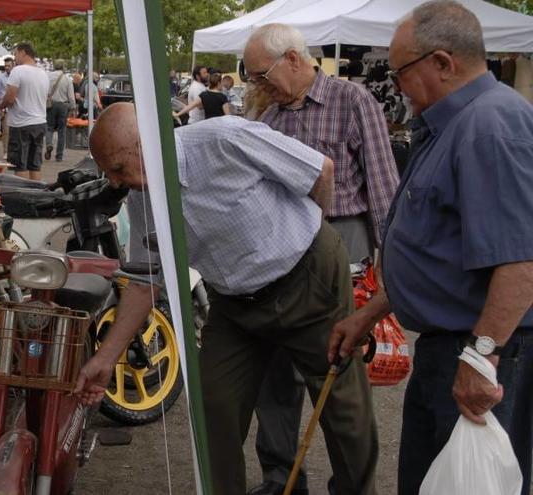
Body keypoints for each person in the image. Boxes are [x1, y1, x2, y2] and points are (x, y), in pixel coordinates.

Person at [74, 103, 378, 495]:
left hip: (307, 278)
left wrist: (308, 236)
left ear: (145, 144)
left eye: (117, 168)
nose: (115, 182)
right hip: (235, 303)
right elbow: (146, 281)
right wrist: (105, 358)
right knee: (212, 406)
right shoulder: (142, 200)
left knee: (343, 409)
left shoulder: (224, 139)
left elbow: (321, 170)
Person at [329, 2, 533, 495]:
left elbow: (521, 261)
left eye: (401, 71)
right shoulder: (455, 124)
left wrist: (481, 358)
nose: (395, 84)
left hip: (484, 349)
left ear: (443, 63)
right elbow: (437, 250)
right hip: (455, 346)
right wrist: (370, 313)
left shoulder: (490, 126)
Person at [242, 23, 399, 495]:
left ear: (293, 58)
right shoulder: (268, 116)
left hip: (342, 240)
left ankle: (352, 484)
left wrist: (390, 265)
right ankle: (280, 478)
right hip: (281, 247)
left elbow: (384, 187)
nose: (257, 85)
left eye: (261, 74)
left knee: (336, 368)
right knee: (275, 365)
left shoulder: (353, 102)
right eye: (251, 78)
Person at [0, 43, 48, 180]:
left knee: (19, 165)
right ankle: (37, 194)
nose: (15, 58)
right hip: (40, 122)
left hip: (21, 124)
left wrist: (0, 106)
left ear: (23, 52)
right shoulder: (43, 73)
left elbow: (10, 98)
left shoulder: (18, 71)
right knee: (35, 165)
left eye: (15, 54)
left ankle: (22, 196)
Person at [44, 61, 76, 162]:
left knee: (49, 128)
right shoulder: (67, 79)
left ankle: (49, 144)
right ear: (63, 67)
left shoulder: (48, 76)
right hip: (63, 106)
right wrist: (73, 107)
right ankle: (59, 156)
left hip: (51, 105)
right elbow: (71, 96)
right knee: (62, 131)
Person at [0, 57, 14, 158]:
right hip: (4, 108)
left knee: (14, 131)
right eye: (5, 66)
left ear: (13, 66)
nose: (7, 67)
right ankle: (6, 151)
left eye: (9, 66)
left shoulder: (16, 77)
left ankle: (13, 150)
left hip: (15, 107)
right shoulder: (0, 78)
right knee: (6, 130)